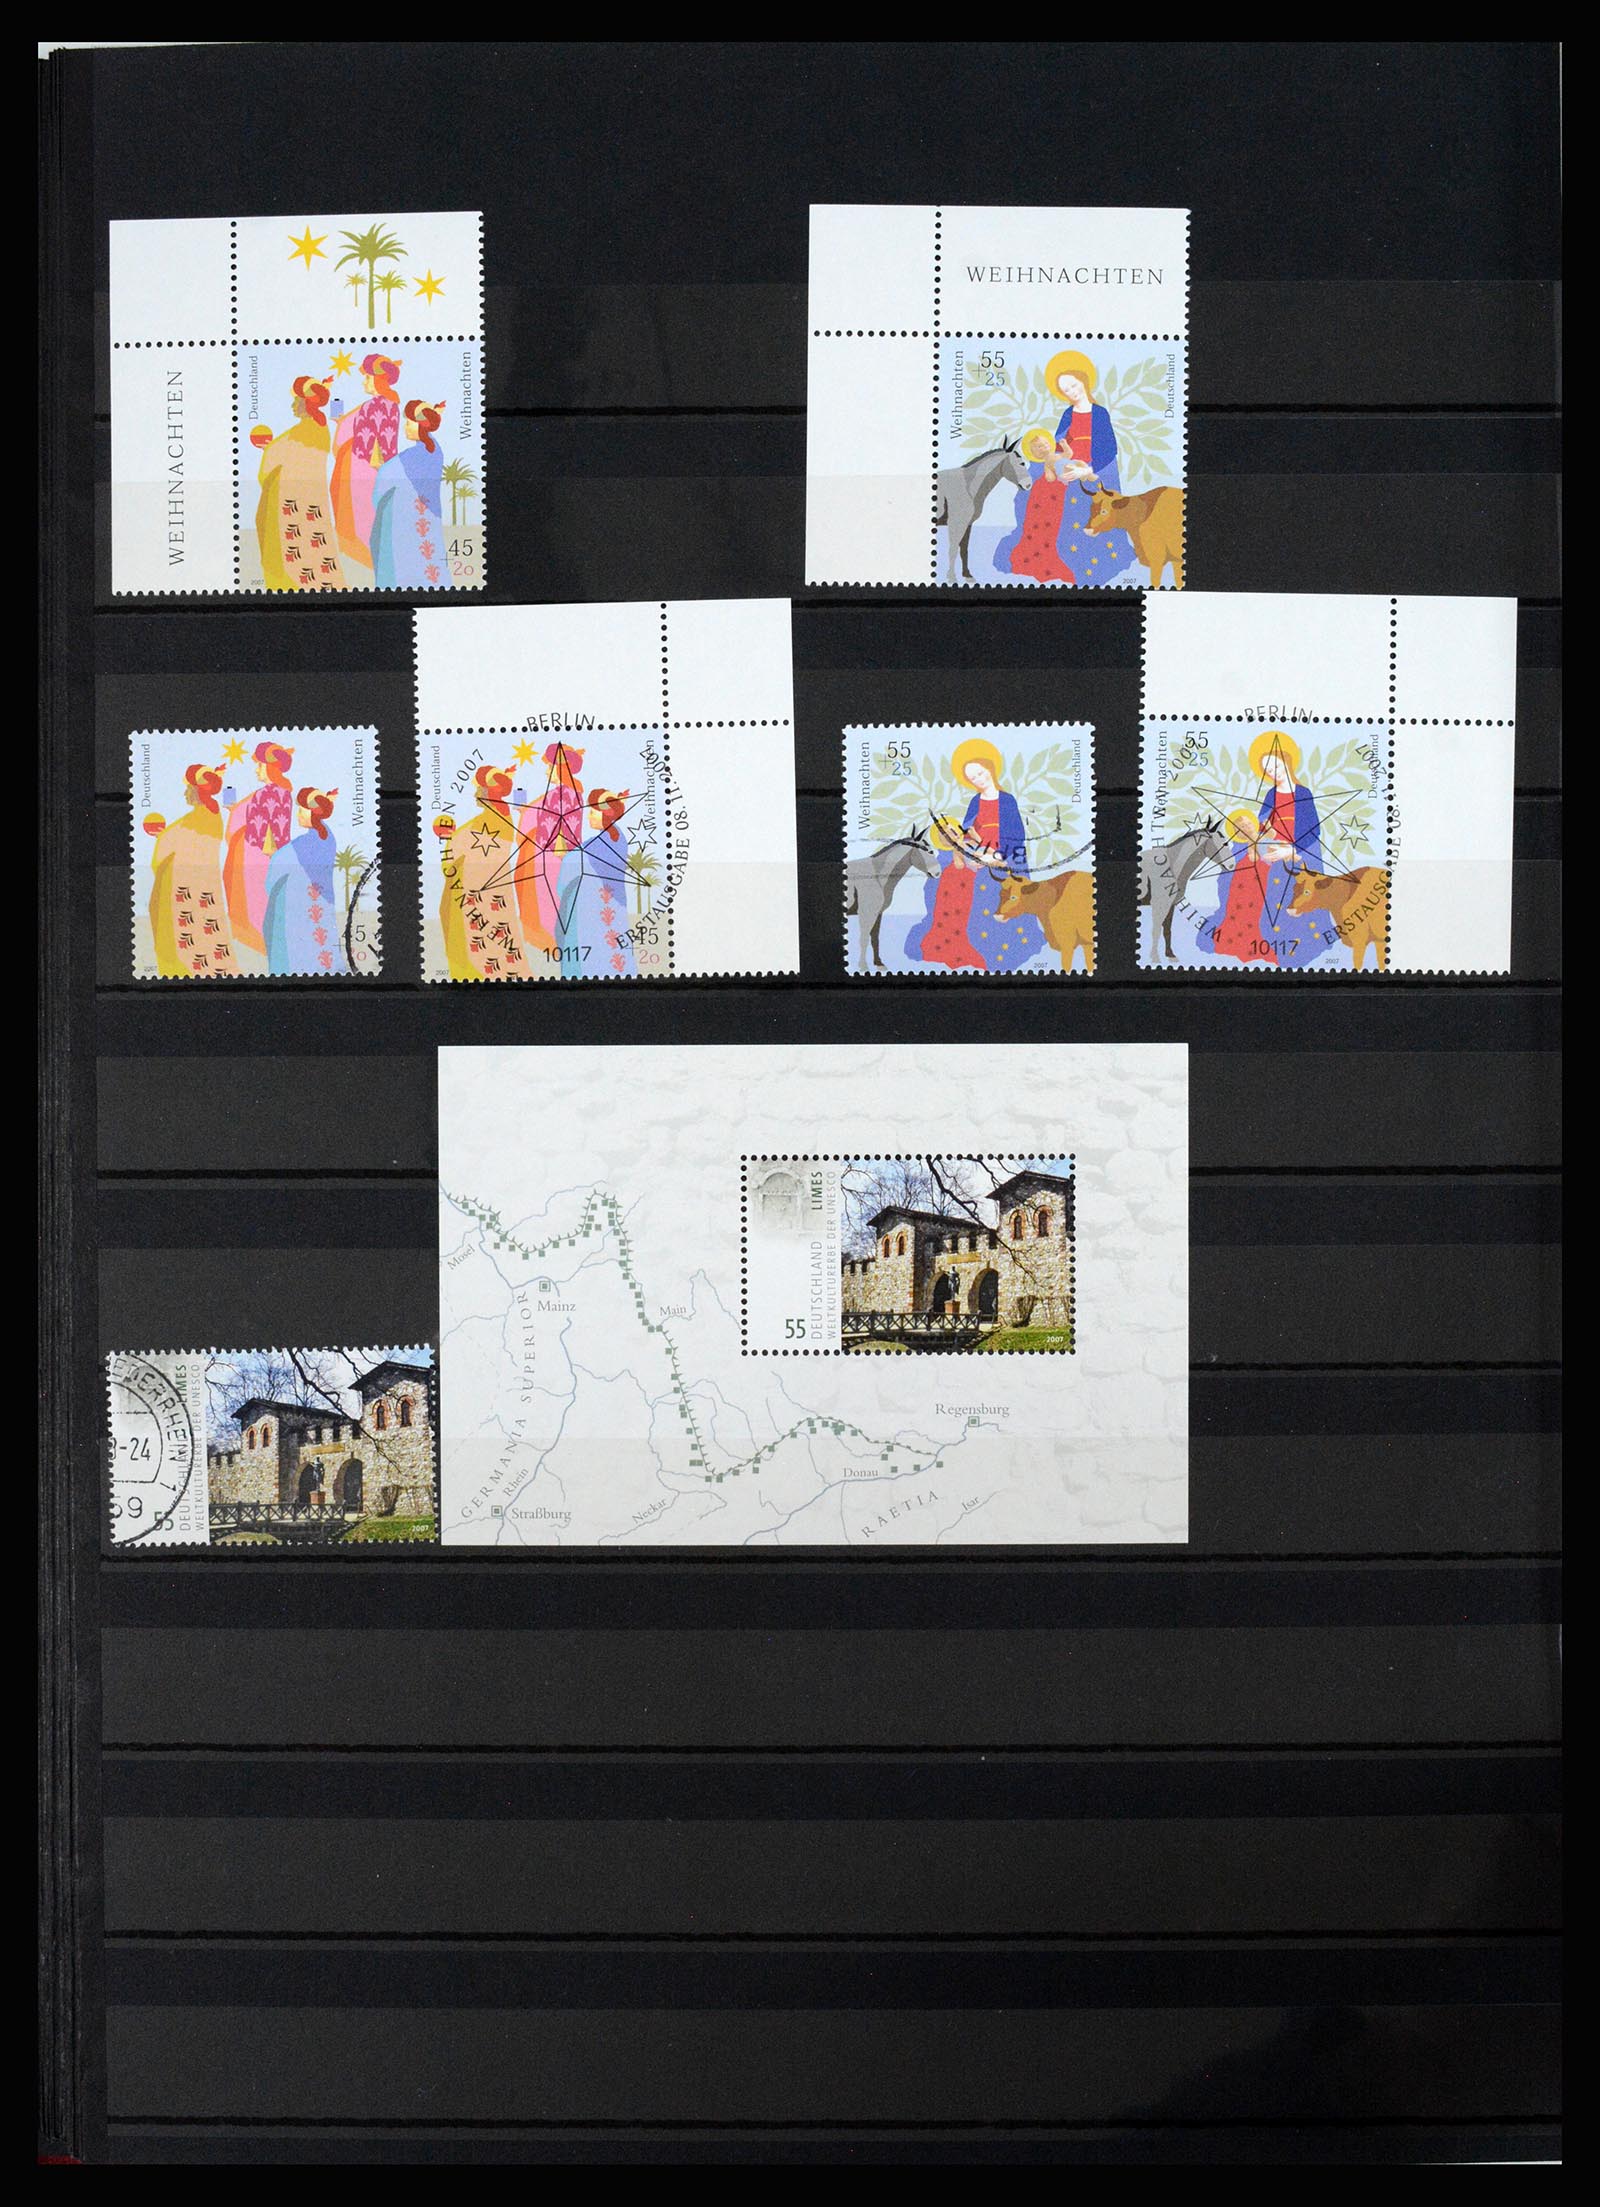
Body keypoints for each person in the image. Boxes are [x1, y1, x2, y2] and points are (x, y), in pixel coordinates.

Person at [903, 737, 1048, 972]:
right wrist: (971, 851)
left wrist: (997, 855)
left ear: (990, 768)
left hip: (1004, 854)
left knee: (994, 885)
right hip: (977, 854)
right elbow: (966, 833)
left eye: (980, 773)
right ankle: (952, 938)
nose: (979, 780)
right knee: (947, 876)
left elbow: (1016, 835)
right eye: (973, 778)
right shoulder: (975, 801)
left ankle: (996, 947)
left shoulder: (1007, 800)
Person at [996, 350, 1137, 587]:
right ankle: (1040, 548)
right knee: (1036, 486)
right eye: (1066, 390)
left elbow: (1108, 448)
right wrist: (1052, 459)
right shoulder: (1068, 413)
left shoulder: (1099, 413)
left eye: (1073, 385)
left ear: (1083, 380)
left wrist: (1086, 470)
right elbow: (1057, 442)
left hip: (1092, 467)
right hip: (1066, 464)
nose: (1072, 392)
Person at [438, 764, 535, 980]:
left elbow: (461, 847)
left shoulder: (490, 819)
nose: (475, 794)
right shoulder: (497, 817)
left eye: (479, 789)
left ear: (488, 792)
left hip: (478, 889)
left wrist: (452, 852)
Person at [253, 378, 345, 592]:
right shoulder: (319, 429)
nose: (293, 405)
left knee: (293, 547)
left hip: (290, 501)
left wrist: (268, 452)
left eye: (297, 400)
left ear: (307, 403)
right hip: (309, 499)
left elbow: (271, 459)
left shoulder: (302, 432)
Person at [148, 763, 240, 977]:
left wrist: (162, 840)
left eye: (188, 788)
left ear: (197, 791)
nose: (185, 793)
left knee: (187, 933)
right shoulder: (212, 816)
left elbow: (164, 847)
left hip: (183, 886)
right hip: (203, 884)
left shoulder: (195, 820)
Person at [330, 352, 402, 574]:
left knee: (360, 511)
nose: (364, 382)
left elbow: (346, 433)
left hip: (359, 466)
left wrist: (339, 422)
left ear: (378, 380)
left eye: (368, 377)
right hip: (378, 467)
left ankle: (362, 555)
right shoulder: (393, 404)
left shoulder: (370, 406)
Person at [222, 740, 295, 956]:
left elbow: (253, 824)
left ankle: (260, 942)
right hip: (267, 855)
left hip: (255, 856)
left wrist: (234, 811)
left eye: (259, 765)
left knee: (256, 899)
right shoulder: (283, 792)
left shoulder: (265, 794)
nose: (256, 770)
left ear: (270, 767)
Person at [263, 785, 345, 975]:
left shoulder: (303, 845)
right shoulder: (327, 838)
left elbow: (276, 868)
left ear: (313, 813)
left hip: (296, 908)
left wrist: (273, 856)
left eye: (301, 810)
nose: (298, 814)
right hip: (321, 902)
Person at [370, 399, 450, 589]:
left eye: (409, 422)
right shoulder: (435, 451)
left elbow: (384, 479)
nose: (405, 426)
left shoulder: (411, 457)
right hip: (428, 516)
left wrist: (379, 468)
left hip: (403, 521)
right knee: (428, 557)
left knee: (401, 559)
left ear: (421, 425)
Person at [558, 787, 637, 976]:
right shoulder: (617, 839)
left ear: (605, 814)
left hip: (591, 911)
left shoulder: (598, 845)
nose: (589, 816)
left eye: (592, 812)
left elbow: (570, 868)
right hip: (612, 906)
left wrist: (565, 857)